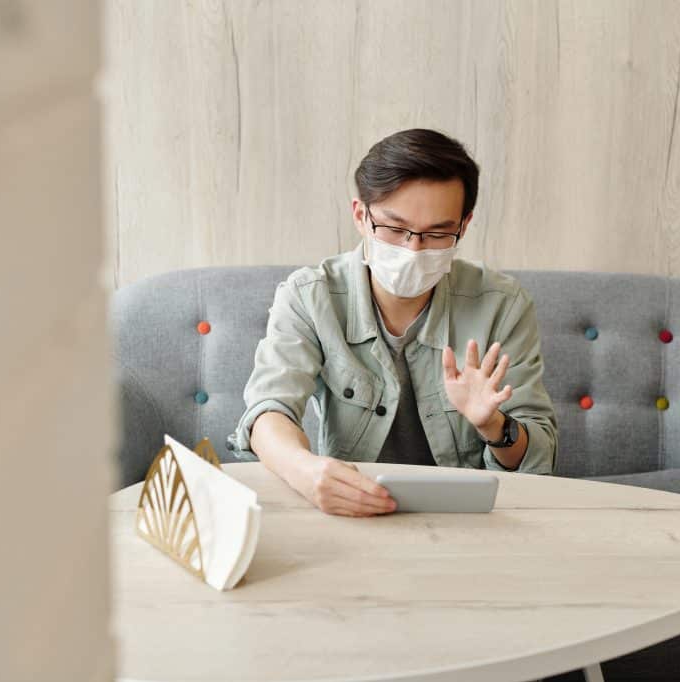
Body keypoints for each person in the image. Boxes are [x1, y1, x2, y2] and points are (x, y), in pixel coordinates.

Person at [226, 128, 557, 517]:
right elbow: (270, 410)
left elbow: (539, 459)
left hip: (464, 519)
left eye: (437, 233)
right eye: (395, 229)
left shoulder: (502, 304)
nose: (412, 249)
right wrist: (306, 471)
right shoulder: (309, 296)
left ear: (463, 227)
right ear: (361, 215)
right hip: (352, 509)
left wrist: (494, 427)